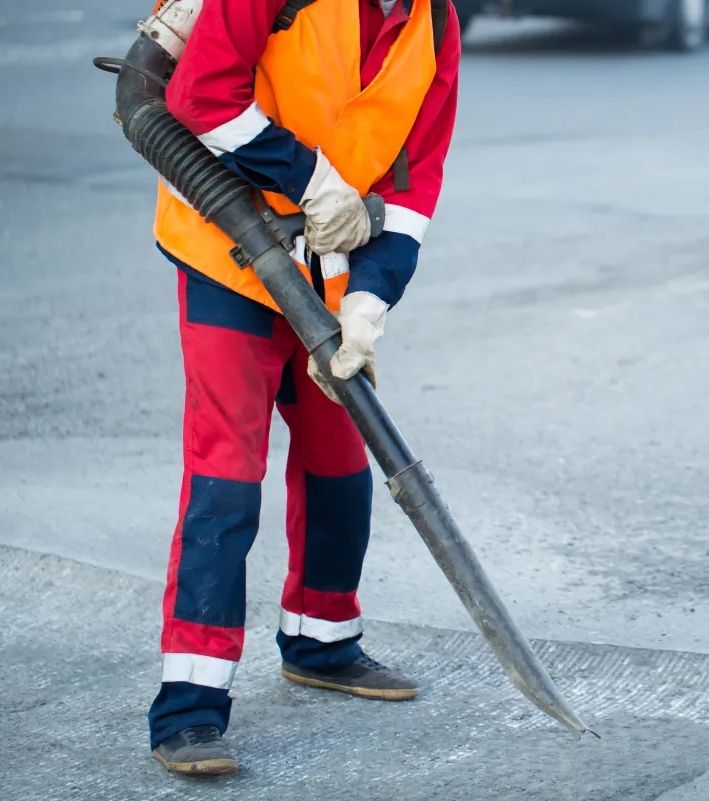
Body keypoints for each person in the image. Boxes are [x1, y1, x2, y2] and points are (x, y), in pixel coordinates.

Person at [146, 0, 460, 775]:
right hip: (227, 251)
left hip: (330, 269)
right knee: (226, 475)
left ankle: (322, 640)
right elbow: (198, 93)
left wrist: (372, 297)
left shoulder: (437, 25)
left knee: (339, 461)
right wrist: (310, 180)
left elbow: (414, 184)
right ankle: (188, 708)